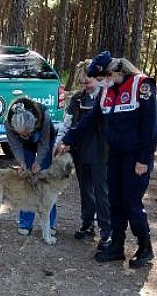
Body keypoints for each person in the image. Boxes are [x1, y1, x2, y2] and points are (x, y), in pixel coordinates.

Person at [58, 52, 157, 268]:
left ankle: (145, 247)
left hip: (136, 157)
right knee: (115, 201)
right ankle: (117, 246)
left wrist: (144, 158)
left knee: (132, 203)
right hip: (115, 155)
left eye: (103, 77)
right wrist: (67, 139)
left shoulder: (142, 85)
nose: (102, 82)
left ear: (114, 71)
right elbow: (89, 121)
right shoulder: (107, 92)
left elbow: (150, 127)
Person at [55, 60, 110, 241]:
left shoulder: (107, 97)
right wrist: (59, 143)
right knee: (85, 190)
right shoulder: (78, 99)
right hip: (80, 152)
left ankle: (106, 231)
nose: (85, 86)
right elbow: (66, 124)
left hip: (101, 152)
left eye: (88, 82)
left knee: (102, 192)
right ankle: (87, 225)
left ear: (98, 79)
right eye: (82, 83)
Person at [5, 97, 57, 236]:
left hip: (45, 141)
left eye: (28, 133)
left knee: (45, 183)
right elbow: (15, 145)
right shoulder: (8, 123)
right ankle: (25, 223)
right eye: (23, 134)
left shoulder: (44, 117)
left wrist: (39, 162)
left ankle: (50, 223)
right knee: (26, 181)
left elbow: (44, 144)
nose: (26, 135)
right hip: (25, 148)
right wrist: (21, 162)